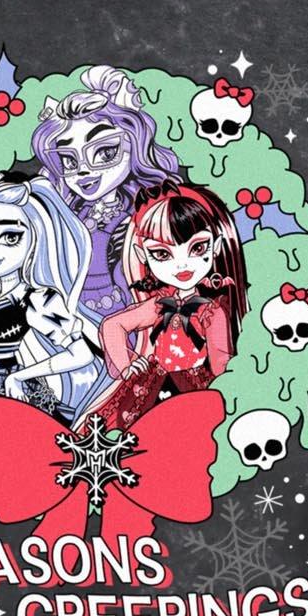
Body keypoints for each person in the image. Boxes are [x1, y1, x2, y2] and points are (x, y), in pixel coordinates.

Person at [81, 180, 246, 434]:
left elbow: (221, 363)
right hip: (154, 384)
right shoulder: (160, 304)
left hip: (193, 387)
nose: (182, 265)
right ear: (142, 255)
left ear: (216, 246)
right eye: (162, 254)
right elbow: (113, 325)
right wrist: (126, 365)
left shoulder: (211, 311)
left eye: (197, 248)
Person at [0, 174, 108, 422]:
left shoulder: (36, 299)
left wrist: (20, 376)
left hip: (7, 391)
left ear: (36, 239)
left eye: (10, 237)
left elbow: (81, 354)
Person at [30, 65, 181, 318]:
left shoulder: (145, 215)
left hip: (125, 322)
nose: (83, 170)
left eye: (104, 152)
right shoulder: (70, 209)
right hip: (67, 319)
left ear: (134, 144)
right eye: (69, 159)